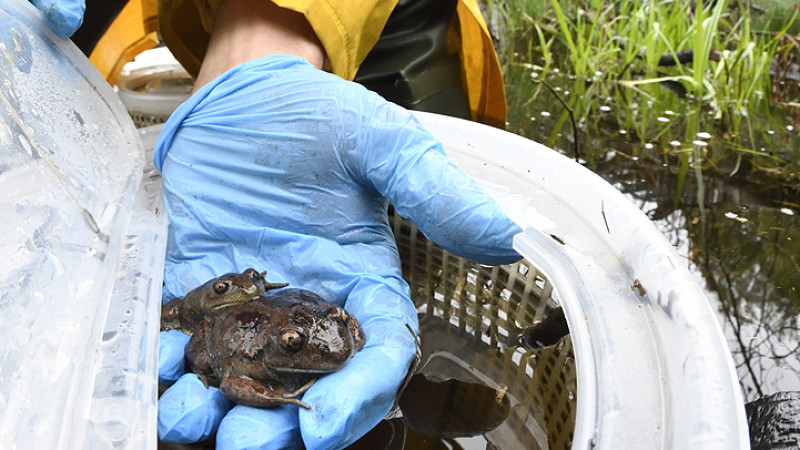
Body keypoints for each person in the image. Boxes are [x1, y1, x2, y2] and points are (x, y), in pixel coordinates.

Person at [34, 0, 522, 448]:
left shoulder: (322, 321)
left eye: (338, 324)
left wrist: (261, 46)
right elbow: (230, 379)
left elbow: (323, 317)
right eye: (297, 341)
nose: (338, 336)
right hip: (233, 340)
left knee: (413, 220)